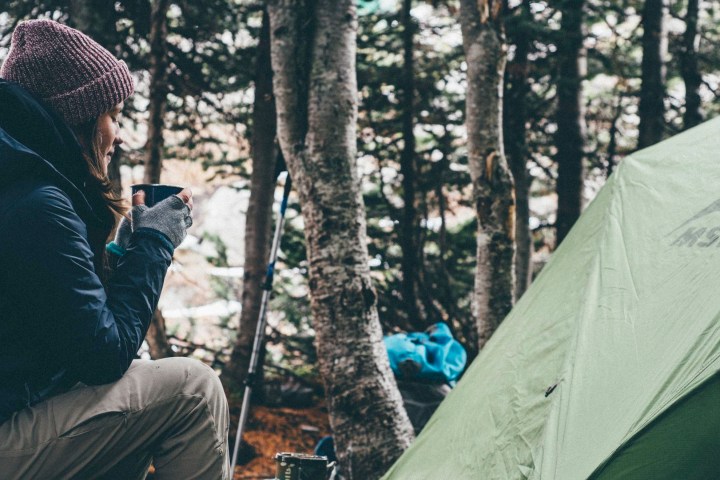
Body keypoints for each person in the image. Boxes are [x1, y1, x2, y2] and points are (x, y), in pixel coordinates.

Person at [0, 19, 229, 479]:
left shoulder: (18, 183)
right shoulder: (38, 201)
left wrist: (116, 259)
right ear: (77, 116)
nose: (119, 135)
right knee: (193, 390)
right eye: (114, 115)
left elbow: (51, 329)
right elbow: (103, 356)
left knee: (134, 399)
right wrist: (155, 244)